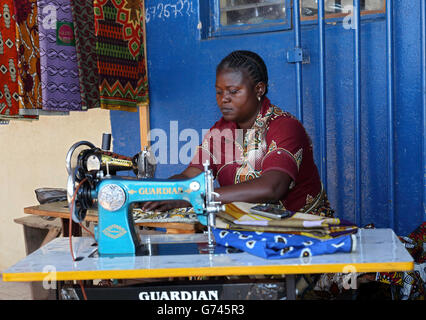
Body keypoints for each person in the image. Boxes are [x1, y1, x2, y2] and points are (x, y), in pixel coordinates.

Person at [143, 50, 333, 217]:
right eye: (219, 92)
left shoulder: (284, 127)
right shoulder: (220, 132)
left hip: (305, 232)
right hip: (249, 229)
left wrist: (194, 198)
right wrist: (159, 192)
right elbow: (191, 176)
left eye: (233, 91)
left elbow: (271, 187)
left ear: (259, 89)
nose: (224, 99)